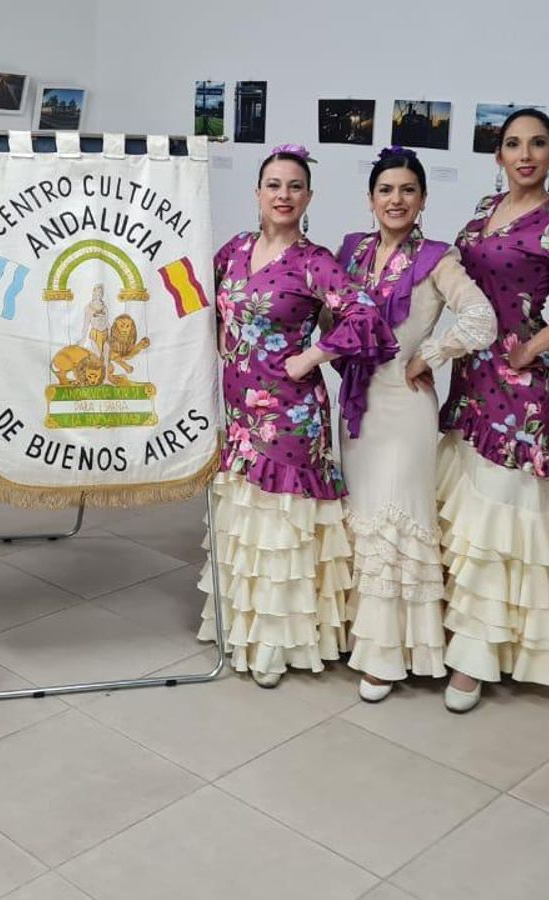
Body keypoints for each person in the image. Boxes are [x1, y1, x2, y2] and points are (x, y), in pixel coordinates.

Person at [435, 110, 549, 711]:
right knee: (466, 507)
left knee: (500, 514)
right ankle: (462, 626)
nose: (525, 154)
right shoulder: (480, 214)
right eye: (513, 144)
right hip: (469, 373)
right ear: (498, 155)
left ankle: (478, 656)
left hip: (520, 385)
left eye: (537, 144)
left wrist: (534, 344)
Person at [199, 143, 397, 687]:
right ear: (257, 193)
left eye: (294, 186)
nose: (283, 195)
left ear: (308, 196)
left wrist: (310, 356)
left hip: (291, 412)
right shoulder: (235, 250)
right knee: (249, 522)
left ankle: (277, 645)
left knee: (281, 526)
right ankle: (244, 626)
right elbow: (203, 296)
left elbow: (364, 318)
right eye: (273, 185)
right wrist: (219, 333)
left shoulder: (315, 261)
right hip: (240, 410)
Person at [335, 146, 497, 703]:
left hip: (405, 407)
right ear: (371, 199)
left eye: (407, 190)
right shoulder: (352, 252)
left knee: (396, 521)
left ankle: (390, 656)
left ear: (423, 199)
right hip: (356, 404)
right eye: (386, 190)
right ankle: (363, 634)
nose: (395, 200)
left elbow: (482, 317)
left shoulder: (436, 258)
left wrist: (430, 355)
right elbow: (332, 314)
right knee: (363, 515)